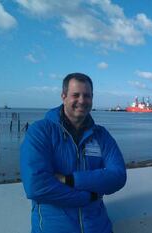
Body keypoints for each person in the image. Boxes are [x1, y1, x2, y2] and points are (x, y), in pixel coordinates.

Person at [20, 73, 127, 233]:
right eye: (76, 95)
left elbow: (118, 177)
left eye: (87, 95)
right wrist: (88, 197)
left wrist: (69, 179)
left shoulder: (101, 135)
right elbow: (36, 186)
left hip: (99, 228)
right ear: (63, 96)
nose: (82, 101)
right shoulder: (40, 131)